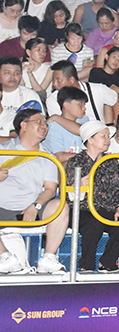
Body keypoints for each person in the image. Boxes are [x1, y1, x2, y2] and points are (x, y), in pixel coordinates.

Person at [0, 109, 69, 274]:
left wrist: (36, 206)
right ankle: (5, 258)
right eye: (38, 121)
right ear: (23, 125)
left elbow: (51, 190)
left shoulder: (48, 157)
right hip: (2, 208)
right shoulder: (3, 150)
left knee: (60, 206)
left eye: (45, 123)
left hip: (30, 209)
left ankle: (48, 258)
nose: (44, 126)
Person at [64, 120, 119, 273]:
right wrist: (88, 175)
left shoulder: (110, 161)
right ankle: (86, 265)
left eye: (108, 137)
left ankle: (107, 262)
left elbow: (118, 190)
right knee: (93, 224)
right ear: (90, 139)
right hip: (82, 209)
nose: (108, 141)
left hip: (106, 208)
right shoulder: (75, 161)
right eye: (104, 136)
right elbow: (72, 193)